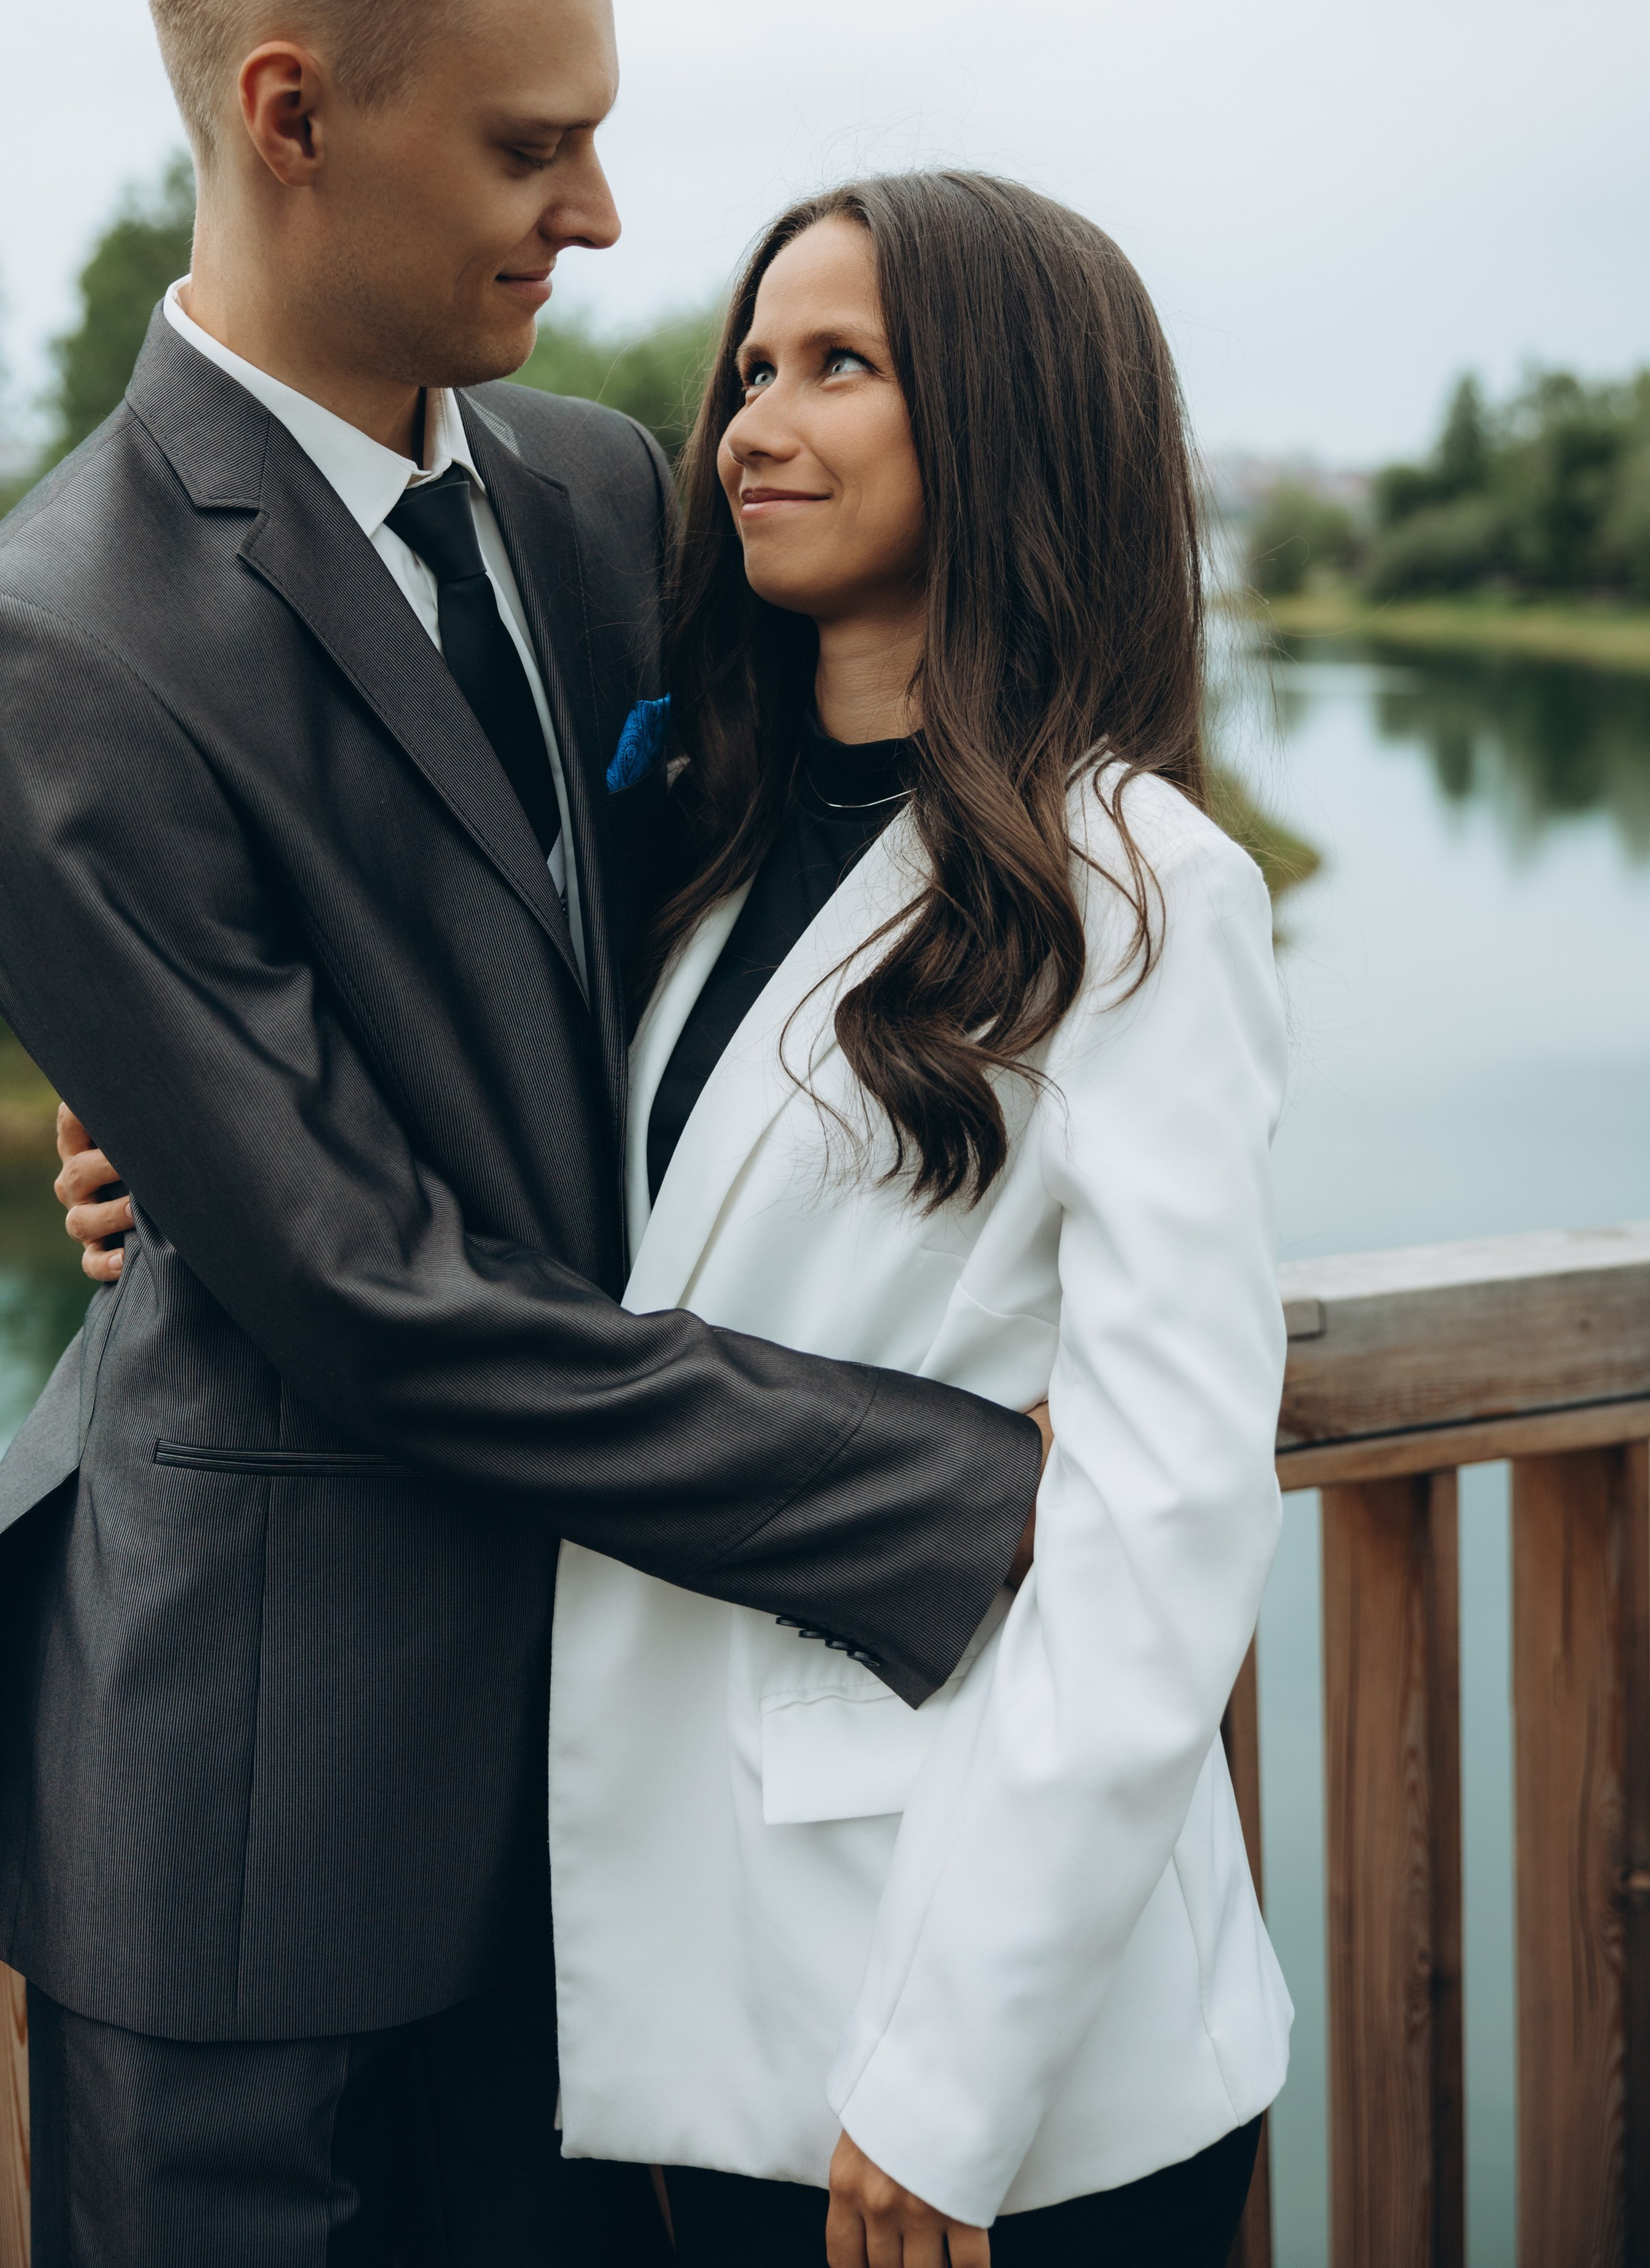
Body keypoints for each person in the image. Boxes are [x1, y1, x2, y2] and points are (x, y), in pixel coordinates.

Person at [0, 0, 1043, 2268]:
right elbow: (363, 1294)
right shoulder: (47, 640)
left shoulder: (584, 490)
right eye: (536, 147)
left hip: (607, 1790)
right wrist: (966, 1488)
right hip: (249, 1837)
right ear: (292, 113)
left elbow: (741, 943)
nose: (605, 211)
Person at [542, 175, 1293, 2264]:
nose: (754, 425)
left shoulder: (1140, 896)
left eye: (840, 367)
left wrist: (958, 2078)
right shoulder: (696, 852)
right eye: (751, 371)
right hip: (686, 1998)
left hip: (984, 2053)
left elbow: (1163, 1529)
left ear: (1011, 420)